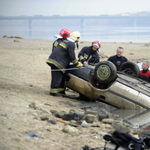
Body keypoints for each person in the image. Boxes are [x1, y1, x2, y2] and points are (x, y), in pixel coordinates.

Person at [46, 28, 82, 97]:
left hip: (55, 60)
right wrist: (77, 64)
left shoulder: (66, 42)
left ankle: (60, 91)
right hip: (57, 62)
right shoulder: (71, 44)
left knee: (61, 75)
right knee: (57, 77)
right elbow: (72, 56)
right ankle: (54, 92)